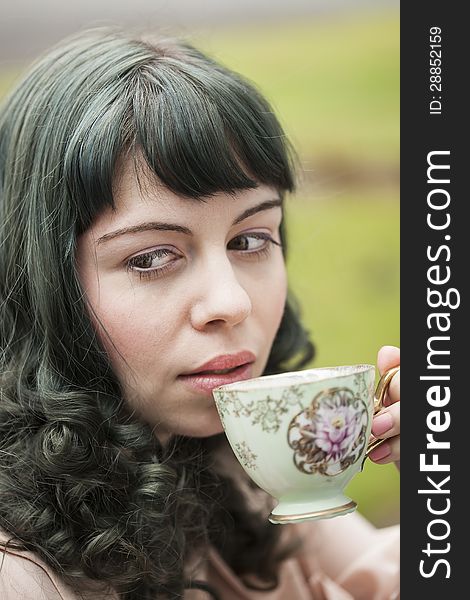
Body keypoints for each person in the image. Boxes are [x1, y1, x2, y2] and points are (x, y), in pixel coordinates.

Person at [0, 27, 400, 600]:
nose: (231, 302)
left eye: (250, 239)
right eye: (153, 256)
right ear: (43, 281)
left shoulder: (243, 473)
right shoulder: (21, 577)